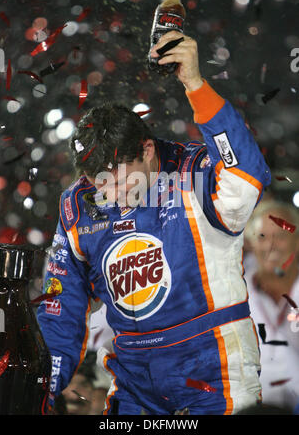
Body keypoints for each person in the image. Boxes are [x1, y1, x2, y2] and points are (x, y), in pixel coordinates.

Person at [37, 30, 271, 415]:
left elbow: (247, 176)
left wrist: (195, 85)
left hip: (213, 364)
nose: (109, 193)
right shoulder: (77, 204)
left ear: (147, 150)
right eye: (98, 182)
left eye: (119, 179)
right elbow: (61, 309)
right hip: (135, 377)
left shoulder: (195, 172)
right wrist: (40, 393)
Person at [244, 200, 299, 411]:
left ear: (297, 241)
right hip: (252, 407)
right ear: (251, 243)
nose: (271, 245)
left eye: (282, 236)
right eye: (262, 237)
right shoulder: (235, 293)